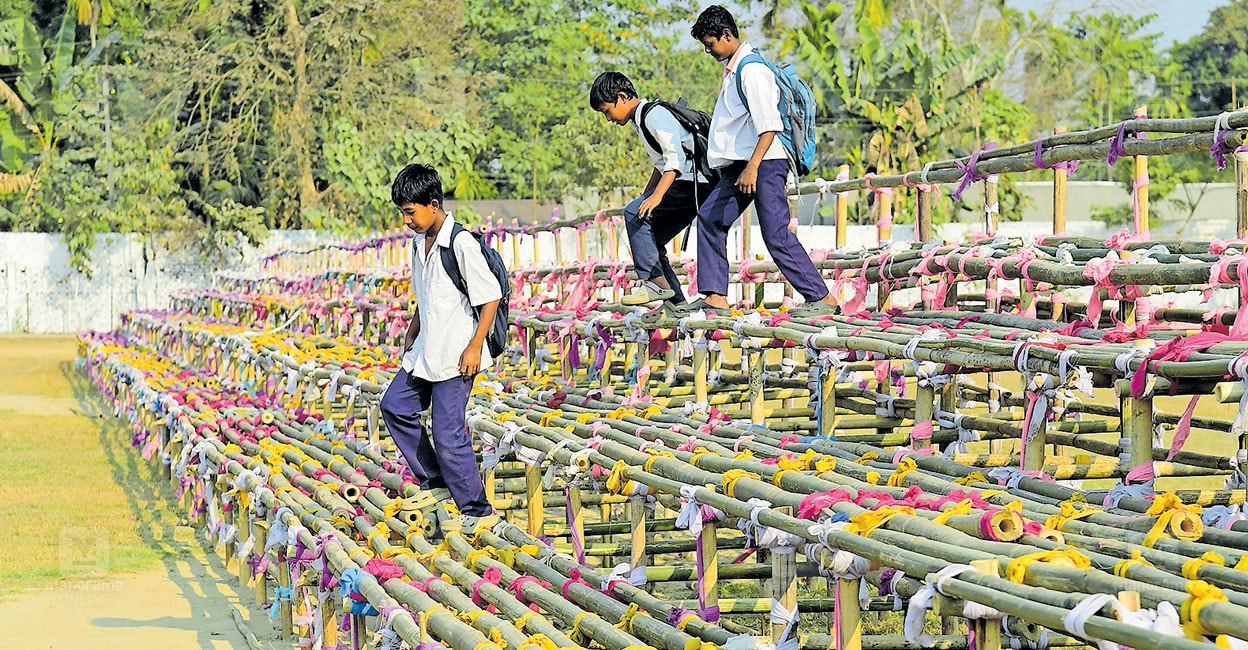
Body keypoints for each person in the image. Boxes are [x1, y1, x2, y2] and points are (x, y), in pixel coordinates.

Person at [683, 5, 835, 317]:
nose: (708, 51)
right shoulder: (735, 69)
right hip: (743, 165)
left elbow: (769, 126)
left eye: (710, 44)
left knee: (775, 234)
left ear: (727, 35)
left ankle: (822, 300)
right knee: (710, 219)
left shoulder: (752, 71)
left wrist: (753, 167)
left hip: (764, 162)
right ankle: (715, 298)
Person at [379, 163, 501, 536]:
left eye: (410, 212)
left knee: (449, 434)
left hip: (457, 354)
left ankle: (477, 509)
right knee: (394, 406)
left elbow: (490, 296)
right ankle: (434, 481)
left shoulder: (461, 243)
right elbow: (427, 293)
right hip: (427, 351)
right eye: (402, 213)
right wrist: (413, 330)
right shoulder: (419, 245)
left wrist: (475, 347)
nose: (407, 220)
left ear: (433, 204)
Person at [590, 71, 714, 310]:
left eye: (607, 110)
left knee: (633, 213)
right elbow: (660, 165)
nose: (608, 119)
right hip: (686, 183)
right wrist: (646, 196)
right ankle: (675, 303)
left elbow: (674, 160)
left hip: (693, 183)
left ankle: (655, 284)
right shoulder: (641, 120)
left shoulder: (654, 115)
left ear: (623, 96)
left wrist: (655, 197)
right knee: (651, 237)